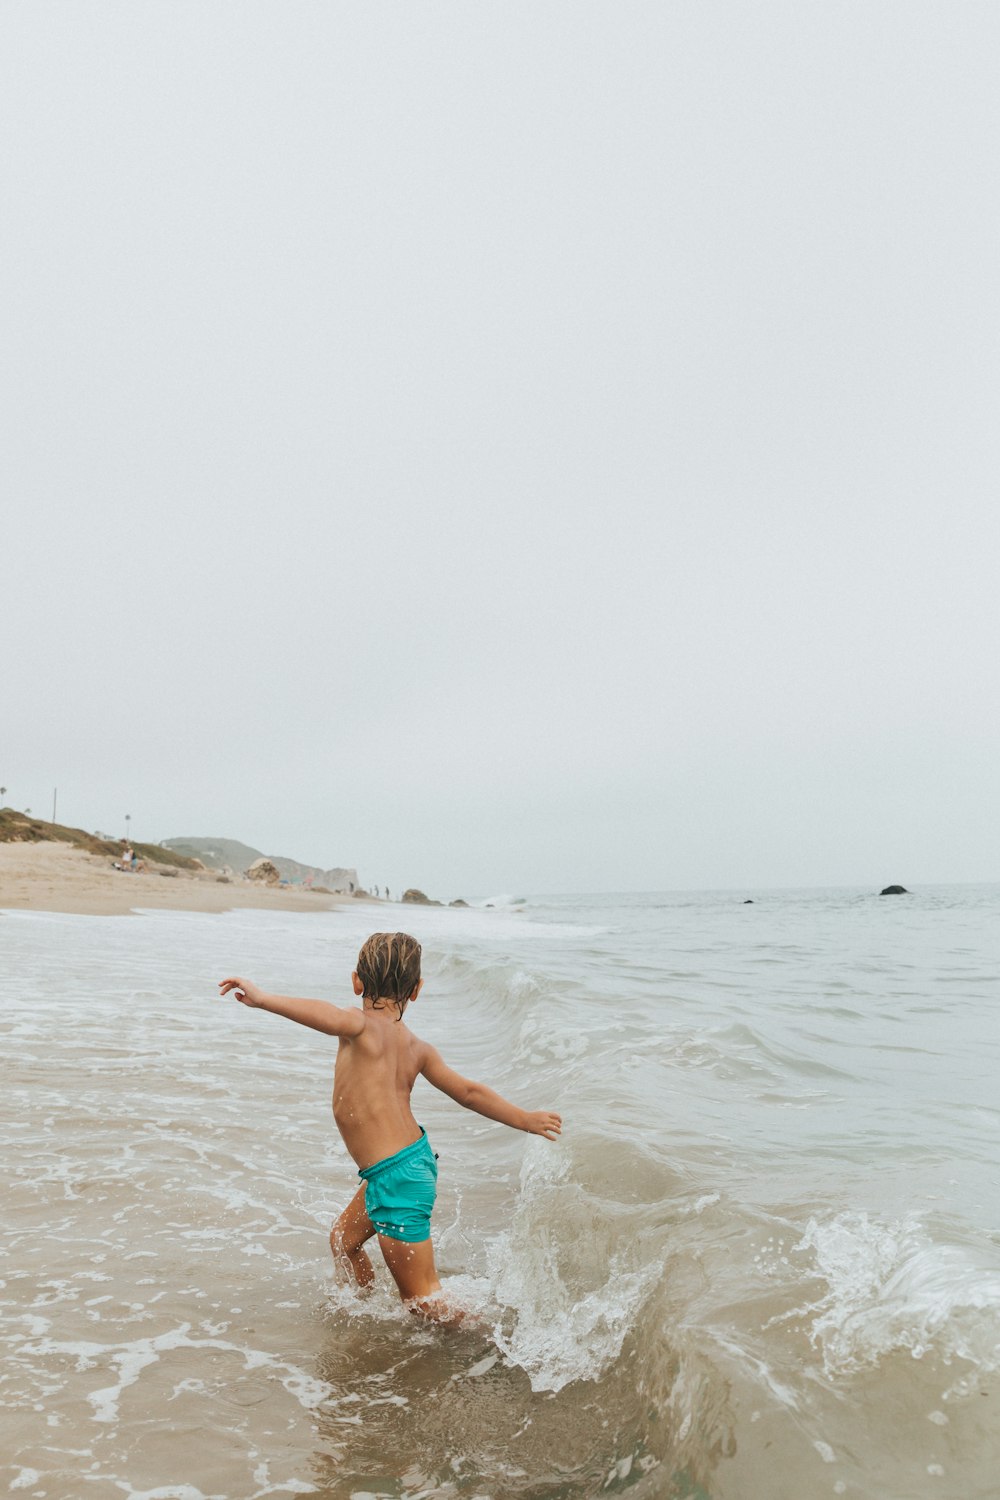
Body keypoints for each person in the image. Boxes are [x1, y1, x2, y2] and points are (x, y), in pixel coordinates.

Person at [218, 932, 561, 1321]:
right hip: (402, 1166)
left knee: (424, 1304)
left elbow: (322, 1013)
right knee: (344, 1242)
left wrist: (263, 999)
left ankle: (498, 1341)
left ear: (356, 981)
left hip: (398, 1177)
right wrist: (524, 1119)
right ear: (416, 991)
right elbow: (468, 1092)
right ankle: (362, 1311)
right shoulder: (418, 1048)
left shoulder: (359, 1026)